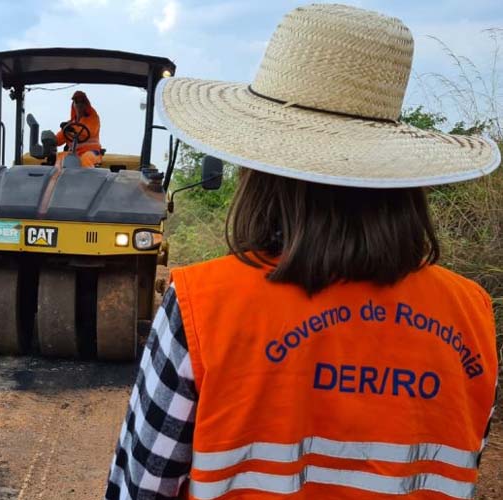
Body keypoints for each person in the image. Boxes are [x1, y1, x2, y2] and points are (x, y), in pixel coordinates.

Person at [106, 4, 500, 499]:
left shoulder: (202, 307)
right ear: (401, 179)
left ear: (260, 170)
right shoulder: (471, 314)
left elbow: (139, 487)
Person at [55, 90, 102, 168]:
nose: (79, 104)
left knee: (86, 159)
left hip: (92, 152)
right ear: (73, 105)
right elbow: (59, 139)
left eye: (82, 102)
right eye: (77, 101)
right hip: (74, 153)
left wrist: (71, 128)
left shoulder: (93, 119)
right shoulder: (69, 124)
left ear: (87, 104)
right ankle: (56, 179)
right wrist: (50, 139)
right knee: (60, 157)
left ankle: (86, 180)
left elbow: (88, 132)